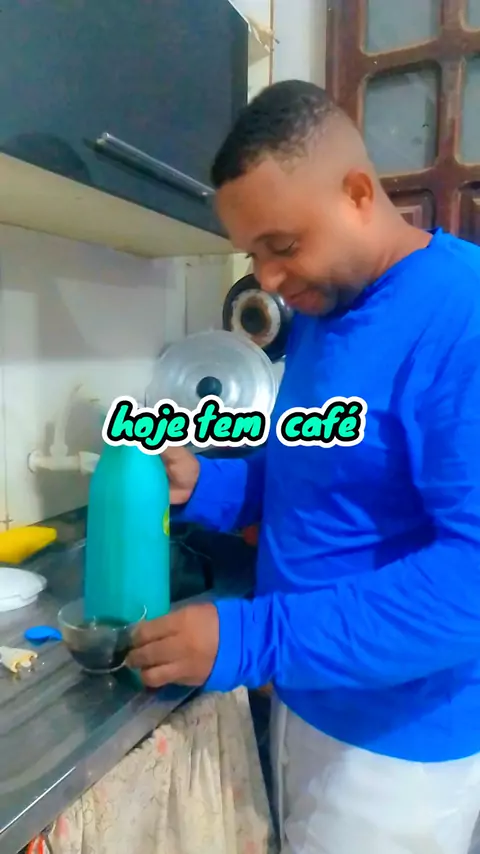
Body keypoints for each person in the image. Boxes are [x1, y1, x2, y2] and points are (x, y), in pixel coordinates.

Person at [127, 80, 480, 853]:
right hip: (308, 696)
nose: (269, 280)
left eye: (282, 246)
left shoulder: (463, 317)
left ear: (358, 193)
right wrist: (208, 484)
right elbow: (320, 470)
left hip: (397, 755)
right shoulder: (329, 305)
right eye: (254, 254)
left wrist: (248, 639)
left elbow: (470, 584)